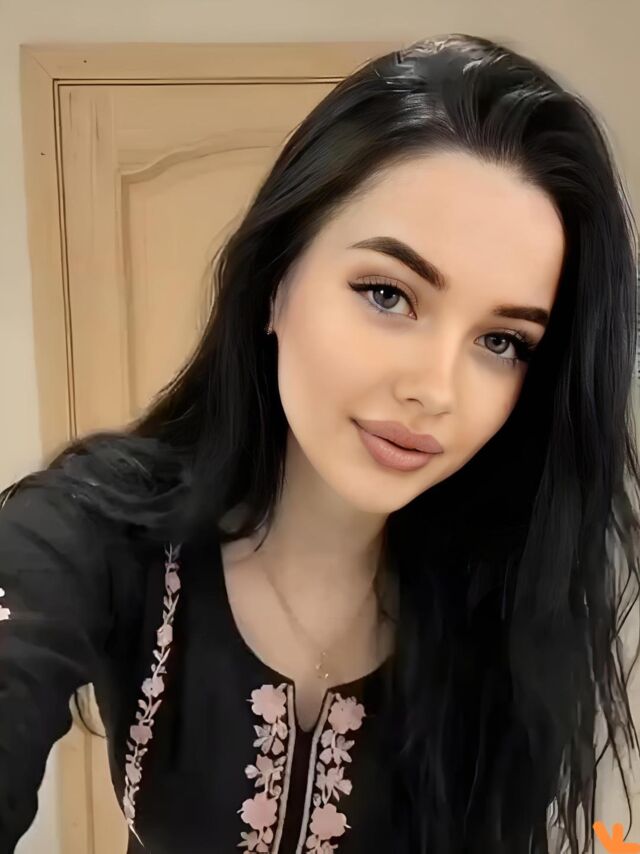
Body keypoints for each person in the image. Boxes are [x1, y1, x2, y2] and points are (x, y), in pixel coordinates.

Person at [1, 32, 639, 854]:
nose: (436, 390)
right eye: (388, 294)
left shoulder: (509, 602)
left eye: (502, 341)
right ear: (277, 280)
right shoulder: (102, 534)